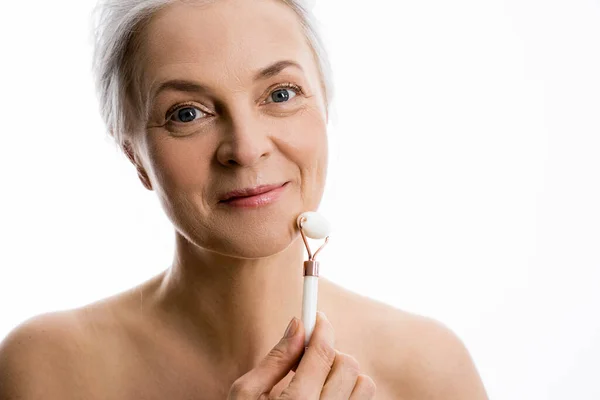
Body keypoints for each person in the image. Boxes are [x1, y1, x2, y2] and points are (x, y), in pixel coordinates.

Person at [0, 0, 489, 398]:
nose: (247, 147)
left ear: (325, 107)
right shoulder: (49, 370)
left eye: (280, 94)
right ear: (135, 156)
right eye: (188, 113)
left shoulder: (428, 372)